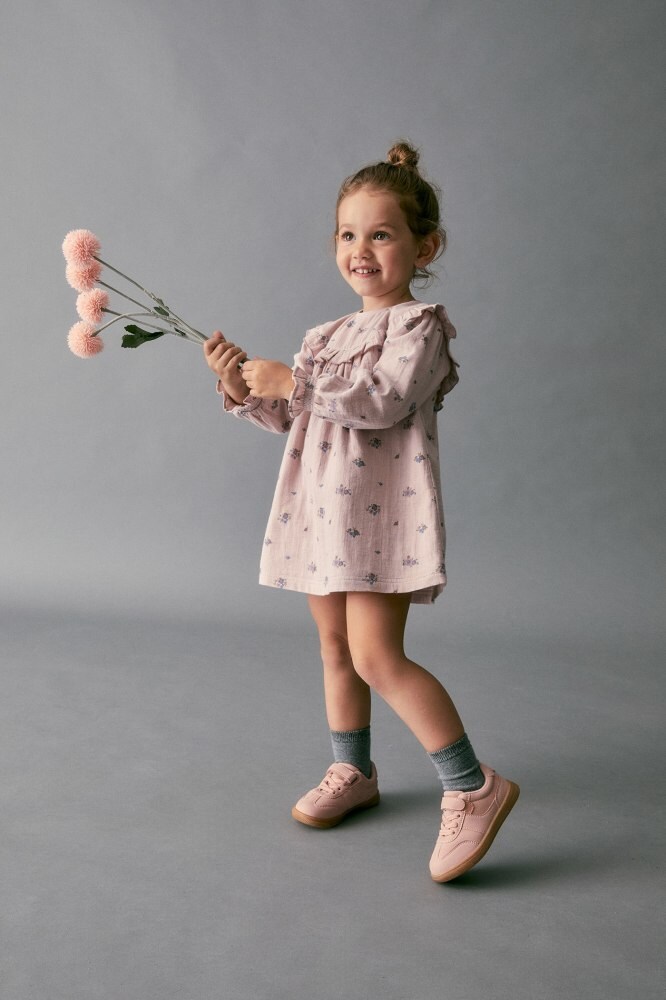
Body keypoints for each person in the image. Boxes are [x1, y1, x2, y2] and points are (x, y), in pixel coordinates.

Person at [203, 140, 519, 883]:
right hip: (321, 513)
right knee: (336, 650)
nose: (361, 250)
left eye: (381, 234)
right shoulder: (324, 336)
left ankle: (473, 786)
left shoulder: (420, 329)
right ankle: (355, 771)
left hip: (379, 519)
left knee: (378, 656)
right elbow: (300, 420)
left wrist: (294, 382)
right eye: (348, 234)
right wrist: (246, 388)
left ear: (424, 247)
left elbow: (380, 403)